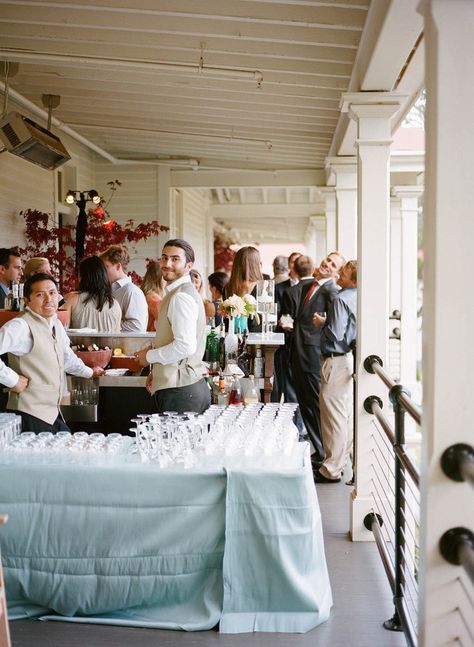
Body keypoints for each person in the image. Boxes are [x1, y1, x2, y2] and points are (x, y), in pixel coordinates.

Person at [0, 273, 104, 432]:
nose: (48, 299)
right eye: (40, 295)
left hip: (52, 412)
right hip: (28, 413)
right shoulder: (20, 326)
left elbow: (67, 357)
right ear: (27, 301)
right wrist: (12, 380)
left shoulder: (55, 324)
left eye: (52, 293)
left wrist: (90, 372)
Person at [135, 239, 211, 414]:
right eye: (164, 258)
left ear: (188, 266)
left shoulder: (180, 297)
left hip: (181, 391)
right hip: (183, 387)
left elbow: (185, 346)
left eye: (175, 259)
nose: (167, 264)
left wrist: (149, 356)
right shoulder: (178, 293)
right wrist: (158, 371)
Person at [290, 251, 345, 465]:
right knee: (305, 403)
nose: (327, 264)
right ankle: (318, 450)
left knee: (314, 404)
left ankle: (324, 453)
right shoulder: (312, 285)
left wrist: (324, 323)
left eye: (333, 264)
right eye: (327, 260)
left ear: (337, 273)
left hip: (313, 354)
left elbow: (335, 323)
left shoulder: (332, 291)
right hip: (300, 351)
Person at [313, 261, 357, 483]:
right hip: (348, 361)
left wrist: (323, 323)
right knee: (343, 416)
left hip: (335, 361)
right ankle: (338, 464)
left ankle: (331, 469)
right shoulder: (358, 296)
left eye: (345, 272)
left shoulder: (341, 299)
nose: (338, 273)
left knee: (333, 418)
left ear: (354, 279)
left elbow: (336, 334)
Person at [63, 256, 121, 331]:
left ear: (82, 276)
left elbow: (62, 331)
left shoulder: (72, 299)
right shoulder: (115, 305)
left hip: (78, 343)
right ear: (104, 276)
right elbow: (116, 337)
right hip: (108, 343)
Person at [99, 245, 148, 332]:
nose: (102, 271)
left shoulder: (132, 291)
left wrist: (105, 323)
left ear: (118, 267)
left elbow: (136, 327)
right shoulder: (111, 290)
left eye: (106, 267)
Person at [223, 246, 263, 332]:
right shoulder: (262, 287)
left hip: (232, 336)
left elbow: (226, 318)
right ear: (255, 264)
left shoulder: (227, 288)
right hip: (257, 339)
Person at [140, 262, 165, 331]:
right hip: (151, 339)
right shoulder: (155, 300)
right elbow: (165, 326)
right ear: (160, 278)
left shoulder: (143, 296)